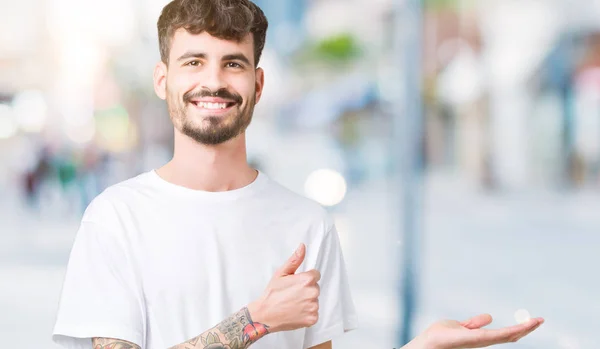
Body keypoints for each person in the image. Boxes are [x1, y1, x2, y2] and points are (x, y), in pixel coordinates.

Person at [51, 1, 544, 348]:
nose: (214, 81)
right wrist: (256, 322)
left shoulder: (307, 224)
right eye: (194, 61)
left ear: (258, 83)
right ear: (164, 80)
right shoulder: (115, 219)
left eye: (233, 63)